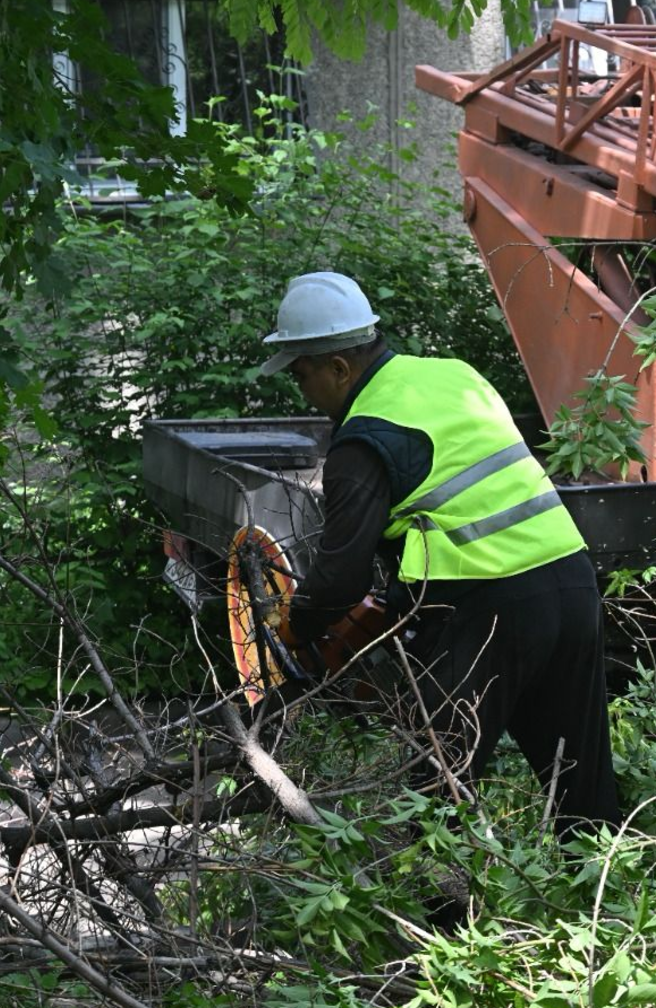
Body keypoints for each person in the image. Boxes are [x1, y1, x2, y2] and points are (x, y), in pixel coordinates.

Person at [261, 271, 622, 838]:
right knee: (582, 783)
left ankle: (446, 927)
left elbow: (338, 581)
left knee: (435, 792)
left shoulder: (363, 437)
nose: (302, 390)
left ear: (338, 368)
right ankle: (610, 907)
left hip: (488, 607)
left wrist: (293, 627)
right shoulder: (452, 375)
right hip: (571, 582)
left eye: (303, 374)